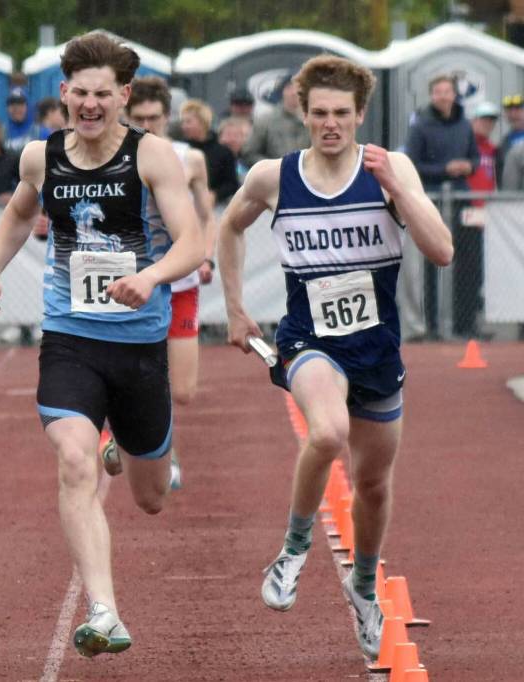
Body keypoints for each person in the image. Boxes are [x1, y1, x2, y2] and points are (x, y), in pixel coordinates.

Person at [0, 31, 202, 658]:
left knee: (151, 498)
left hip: (139, 344)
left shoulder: (152, 157)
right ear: (64, 93)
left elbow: (194, 243)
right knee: (73, 460)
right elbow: (20, 213)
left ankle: (128, 444)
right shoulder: (41, 157)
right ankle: (105, 610)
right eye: (81, 94)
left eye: (104, 94)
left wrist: (150, 277)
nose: (91, 105)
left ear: (123, 96)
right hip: (71, 337)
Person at [217, 55, 453, 660]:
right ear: (302, 112)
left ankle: (364, 587)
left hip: (376, 348)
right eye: (319, 113)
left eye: (341, 114)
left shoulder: (388, 169)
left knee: (372, 484)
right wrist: (237, 308)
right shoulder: (276, 177)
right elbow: (230, 227)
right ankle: (294, 549)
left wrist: (397, 187)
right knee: (326, 433)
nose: (329, 125)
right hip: (308, 340)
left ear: (360, 115)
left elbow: (443, 250)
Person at [120, 75, 217, 489]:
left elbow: (207, 215)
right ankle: (161, 452)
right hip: (129, 284)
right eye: (139, 118)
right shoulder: (113, 156)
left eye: (155, 118)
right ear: (126, 116)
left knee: (183, 390)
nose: (148, 125)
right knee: (131, 373)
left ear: (168, 116)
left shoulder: (189, 158)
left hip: (178, 283)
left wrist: (206, 254)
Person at [405, 74, 478, 338]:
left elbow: (475, 158)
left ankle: (465, 325)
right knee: (432, 266)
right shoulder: (420, 126)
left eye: (447, 91)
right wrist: (444, 169)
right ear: (431, 95)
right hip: (432, 203)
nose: (443, 96)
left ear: (454, 94)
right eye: (438, 91)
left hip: (462, 202)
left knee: (466, 263)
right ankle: (432, 325)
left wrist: (468, 166)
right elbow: (411, 164)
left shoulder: (465, 125)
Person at [241, 73, 309, 167]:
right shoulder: (265, 121)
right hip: (275, 178)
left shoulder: (314, 120)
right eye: (289, 88)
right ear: (282, 92)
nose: (294, 92)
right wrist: (275, 167)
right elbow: (249, 154)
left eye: (299, 88)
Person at [180, 99, 239, 204]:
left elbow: (232, 184)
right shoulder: (180, 149)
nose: (184, 126)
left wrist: (215, 195)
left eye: (188, 122)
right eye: (183, 122)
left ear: (202, 122)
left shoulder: (223, 152)